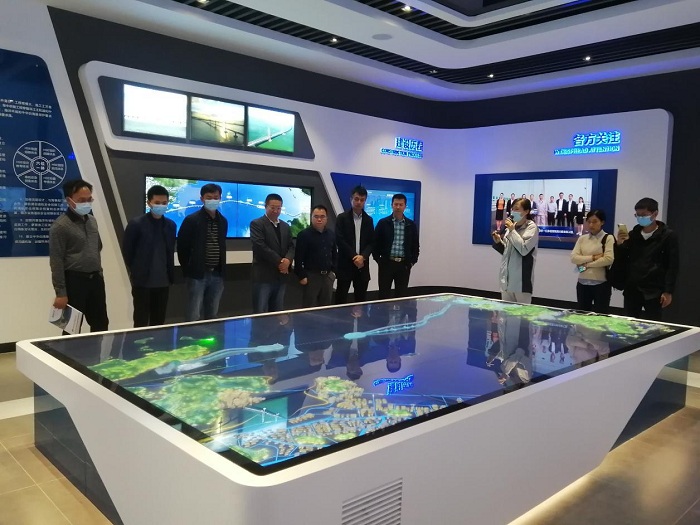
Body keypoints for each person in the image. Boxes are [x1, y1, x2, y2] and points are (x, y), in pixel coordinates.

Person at [49, 179, 109, 332]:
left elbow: (98, 247)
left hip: (95, 280)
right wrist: (61, 293)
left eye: (89, 199)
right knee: (72, 328)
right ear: (69, 200)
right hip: (75, 281)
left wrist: (99, 273)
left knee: (101, 324)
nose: (87, 203)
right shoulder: (60, 226)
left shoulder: (92, 221)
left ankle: (96, 349)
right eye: (82, 200)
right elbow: (56, 261)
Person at [615, 197, 679, 321]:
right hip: (633, 288)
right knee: (629, 323)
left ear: (655, 214)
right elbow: (623, 258)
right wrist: (619, 244)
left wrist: (668, 291)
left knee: (654, 324)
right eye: (637, 215)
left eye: (644, 215)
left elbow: (673, 265)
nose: (640, 218)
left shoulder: (667, 236)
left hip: (654, 289)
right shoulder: (633, 234)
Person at [122, 185, 177, 327]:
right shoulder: (136, 224)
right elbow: (127, 252)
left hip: (163, 282)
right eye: (157, 203)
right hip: (142, 282)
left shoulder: (171, 225)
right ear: (149, 203)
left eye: (164, 203)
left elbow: (170, 251)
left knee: (159, 321)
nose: (161, 206)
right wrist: (137, 270)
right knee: (141, 321)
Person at [177, 183, 228, 322]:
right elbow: (182, 247)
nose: (213, 200)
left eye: (216, 197)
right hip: (197, 275)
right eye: (209, 197)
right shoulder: (192, 220)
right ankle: (190, 336)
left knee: (212, 315)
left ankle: (211, 336)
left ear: (220, 198)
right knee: (193, 315)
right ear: (202, 199)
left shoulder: (223, 221)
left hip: (217, 274)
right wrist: (188, 269)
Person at [250, 193, 295, 313]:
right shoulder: (257, 224)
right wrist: (280, 262)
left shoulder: (285, 226)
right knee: (260, 312)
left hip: (281, 276)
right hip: (263, 276)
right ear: (266, 207)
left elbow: (291, 246)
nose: (276, 211)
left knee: (277, 312)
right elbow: (260, 246)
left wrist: (288, 260)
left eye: (278, 208)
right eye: (272, 208)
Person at [491, 198, 538, 304]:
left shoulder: (531, 227)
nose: (513, 212)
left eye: (517, 209)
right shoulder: (511, 228)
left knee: (522, 313)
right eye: (512, 209)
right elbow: (508, 252)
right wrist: (499, 242)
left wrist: (512, 231)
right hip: (506, 280)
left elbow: (523, 250)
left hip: (521, 282)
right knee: (505, 312)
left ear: (526, 211)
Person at [373, 193, 420, 299]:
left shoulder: (411, 225)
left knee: (401, 296)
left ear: (405, 206)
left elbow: (415, 245)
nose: (398, 207)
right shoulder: (383, 223)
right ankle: (383, 311)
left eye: (401, 204)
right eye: (396, 204)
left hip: (404, 265)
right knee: (383, 295)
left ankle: (401, 312)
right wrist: (379, 260)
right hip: (387, 264)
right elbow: (375, 243)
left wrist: (412, 261)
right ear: (392, 205)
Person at [335, 185, 375, 304]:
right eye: (356, 199)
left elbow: (371, 242)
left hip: (362, 265)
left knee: (360, 301)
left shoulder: (369, 220)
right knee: (341, 299)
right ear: (351, 199)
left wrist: (363, 256)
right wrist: (354, 256)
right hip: (345, 264)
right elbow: (339, 240)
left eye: (362, 200)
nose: (359, 202)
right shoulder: (342, 218)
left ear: (365, 201)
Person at [570, 209, 614, 314]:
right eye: (589, 221)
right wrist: (594, 257)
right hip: (582, 282)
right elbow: (574, 258)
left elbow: (608, 259)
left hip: (601, 283)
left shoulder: (608, 238)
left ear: (602, 222)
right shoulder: (582, 239)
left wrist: (586, 265)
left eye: (594, 221)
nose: (591, 225)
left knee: (600, 315)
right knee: (582, 314)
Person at [294, 205, 337, 308]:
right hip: (311, 277)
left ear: (326, 218)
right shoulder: (303, 235)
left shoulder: (331, 234)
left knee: (326, 308)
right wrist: (302, 276)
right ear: (311, 217)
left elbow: (334, 254)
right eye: (316, 216)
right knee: (309, 309)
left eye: (322, 216)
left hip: (327, 277)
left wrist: (334, 273)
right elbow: (298, 258)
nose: (319, 219)